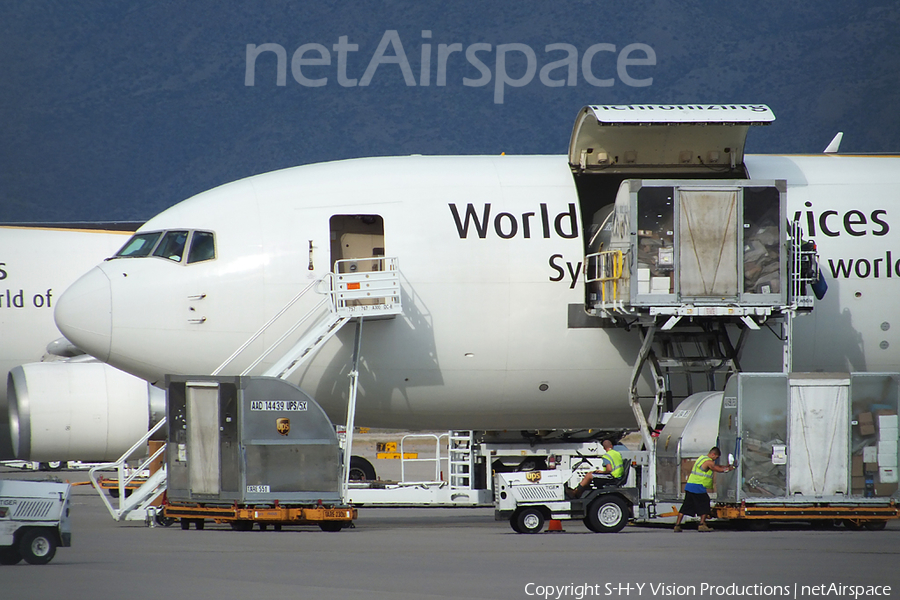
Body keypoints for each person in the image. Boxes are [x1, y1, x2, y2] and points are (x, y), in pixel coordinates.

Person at [674, 446, 734, 532]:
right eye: (716, 457)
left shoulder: (701, 458)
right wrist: (728, 469)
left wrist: (725, 466)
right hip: (698, 487)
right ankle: (702, 525)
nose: (715, 459)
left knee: (685, 506)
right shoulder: (709, 462)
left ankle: (677, 525)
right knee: (705, 503)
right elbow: (717, 469)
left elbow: (717, 465)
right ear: (713, 454)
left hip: (690, 485)